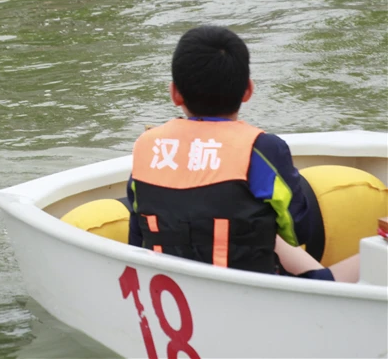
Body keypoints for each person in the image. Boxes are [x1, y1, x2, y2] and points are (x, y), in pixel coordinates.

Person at [127, 25, 357, 281]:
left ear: (175, 93)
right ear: (248, 90)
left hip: (169, 287)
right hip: (253, 291)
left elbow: (137, 237)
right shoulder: (262, 148)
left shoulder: (147, 146)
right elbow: (298, 232)